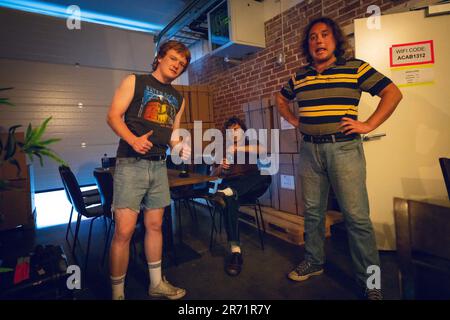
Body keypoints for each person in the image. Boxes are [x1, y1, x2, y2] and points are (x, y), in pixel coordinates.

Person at [276, 17, 402, 300]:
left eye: (324, 34)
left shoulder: (355, 68)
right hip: (309, 150)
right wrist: (294, 120)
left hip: (344, 149)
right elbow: (281, 98)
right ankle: (314, 261)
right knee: (312, 212)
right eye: (312, 37)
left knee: (357, 218)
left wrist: (368, 125)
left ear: (335, 39)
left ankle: (371, 282)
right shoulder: (300, 76)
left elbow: (392, 92)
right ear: (307, 45)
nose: (318, 41)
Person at [106, 40, 191, 300]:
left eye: (183, 64)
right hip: (130, 163)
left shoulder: (179, 97)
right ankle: (117, 294)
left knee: (155, 226)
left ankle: (156, 283)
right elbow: (112, 116)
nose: (178, 65)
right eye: (174, 59)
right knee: (124, 231)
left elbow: (173, 135)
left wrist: (179, 147)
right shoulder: (135, 81)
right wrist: (133, 140)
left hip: (158, 166)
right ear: (160, 57)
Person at [210, 116, 271, 276]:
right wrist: (221, 167)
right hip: (232, 184)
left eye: (236, 129)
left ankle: (228, 192)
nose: (233, 134)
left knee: (265, 174)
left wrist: (238, 149)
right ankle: (236, 252)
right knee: (229, 198)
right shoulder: (223, 149)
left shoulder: (251, 144)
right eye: (230, 132)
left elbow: (264, 151)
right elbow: (213, 173)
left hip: (251, 185)